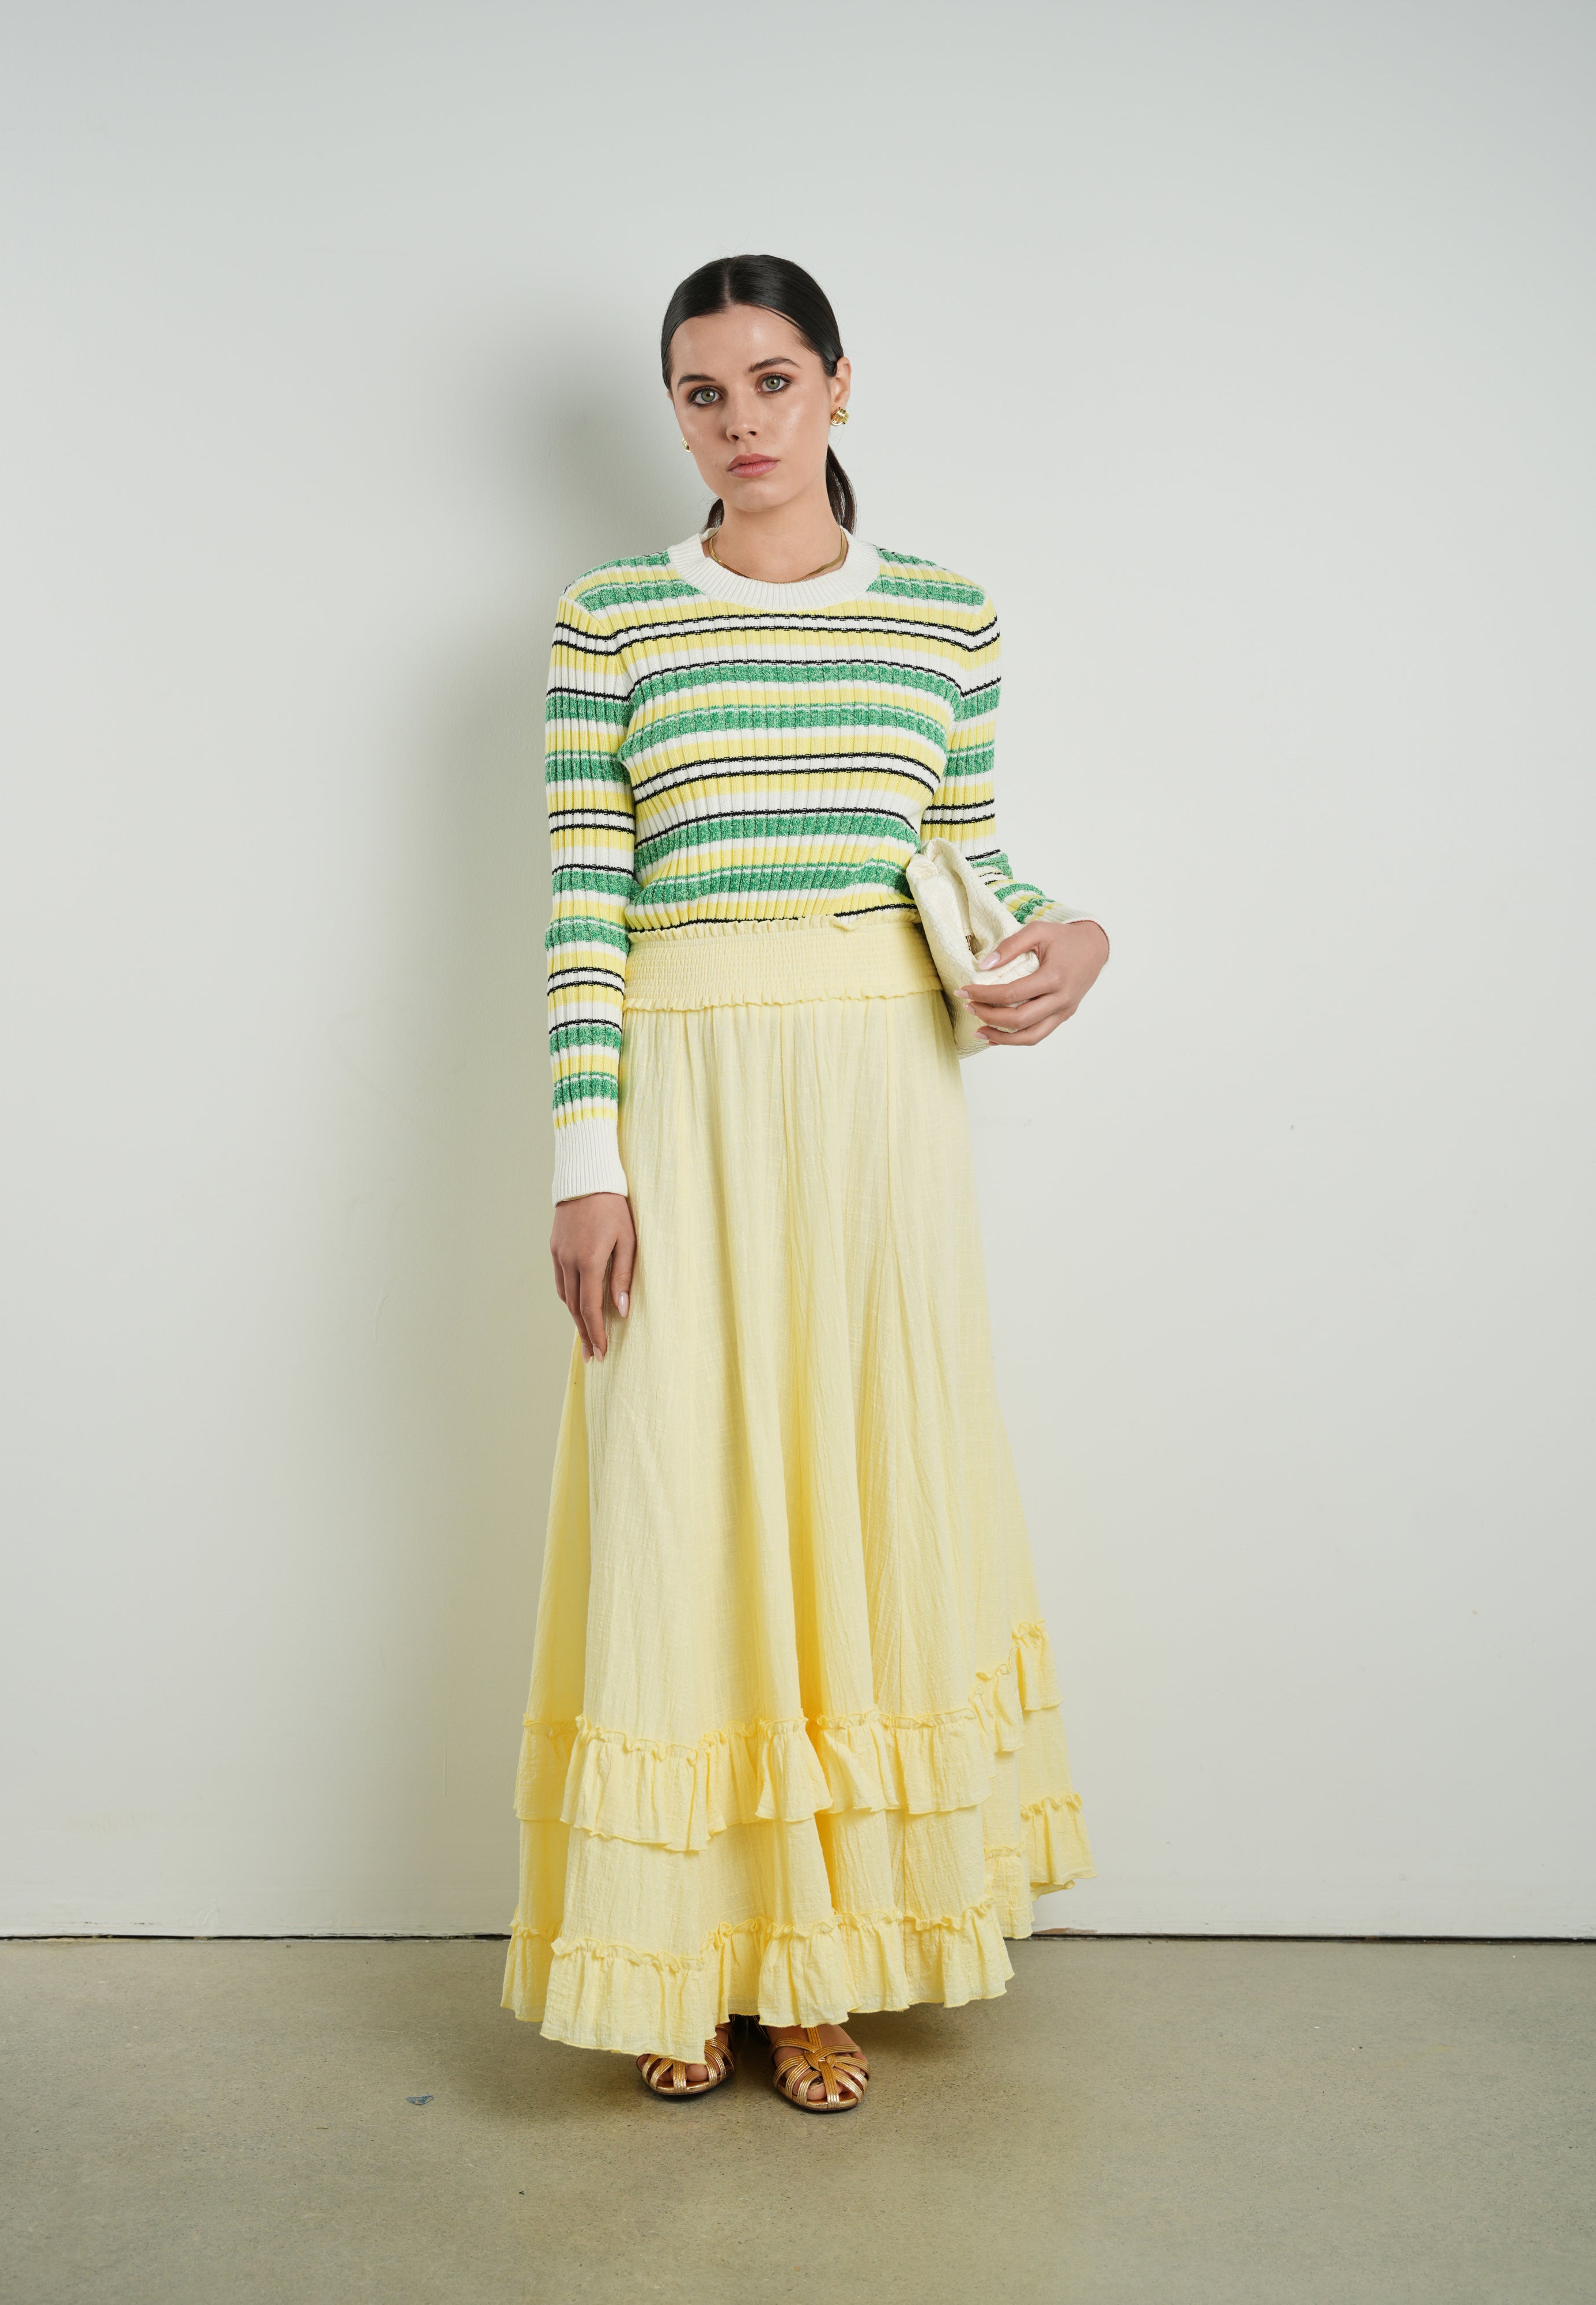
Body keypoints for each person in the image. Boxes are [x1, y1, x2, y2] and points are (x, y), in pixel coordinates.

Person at [501, 254, 1108, 2111]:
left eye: (773, 380)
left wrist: (1071, 932)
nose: (742, 420)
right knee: (682, 1494)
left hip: (875, 1095)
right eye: (704, 392)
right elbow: (587, 898)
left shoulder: (945, 616)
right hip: (681, 1085)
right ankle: (689, 1954)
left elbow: (961, 849)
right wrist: (587, 1160)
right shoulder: (613, 619)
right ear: (674, 415)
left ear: (840, 385)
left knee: (862, 1494)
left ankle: (818, 1963)